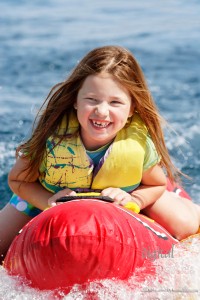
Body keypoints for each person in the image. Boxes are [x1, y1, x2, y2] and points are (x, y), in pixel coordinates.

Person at [1, 45, 200, 263]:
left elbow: (155, 184)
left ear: (132, 107)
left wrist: (133, 199)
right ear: (75, 101)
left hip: (127, 190)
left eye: (115, 102)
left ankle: (186, 203)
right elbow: (18, 180)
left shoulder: (136, 145)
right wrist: (47, 201)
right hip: (49, 192)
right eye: (92, 99)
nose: (102, 111)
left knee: (185, 226)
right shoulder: (50, 139)